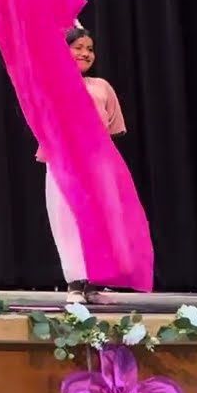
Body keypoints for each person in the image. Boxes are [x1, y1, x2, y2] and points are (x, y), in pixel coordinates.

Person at [44, 26, 126, 302]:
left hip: (99, 163)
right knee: (69, 220)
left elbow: (113, 128)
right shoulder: (53, 82)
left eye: (89, 48)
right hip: (64, 161)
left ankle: (94, 284)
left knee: (100, 222)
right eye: (77, 47)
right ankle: (75, 284)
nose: (85, 53)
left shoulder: (102, 87)